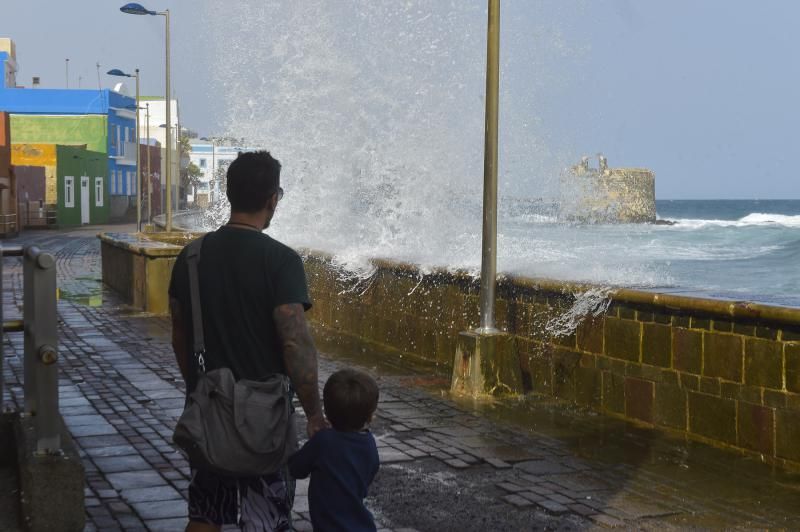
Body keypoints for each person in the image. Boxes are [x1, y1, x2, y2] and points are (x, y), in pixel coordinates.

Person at [169, 150, 327, 532]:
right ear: (272, 199)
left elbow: (179, 334)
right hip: (266, 419)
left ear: (229, 194)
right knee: (266, 520)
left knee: (205, 515)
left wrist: (198, 387)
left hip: (209, 411)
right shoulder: (281, 260)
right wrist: (314, 412)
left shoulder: (191, 257)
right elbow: (295, 342)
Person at [289, 368, 380, 532]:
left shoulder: (324, 441)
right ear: (370, 417)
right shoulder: (369, 443)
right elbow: (370, 472)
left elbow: (296, 469)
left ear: (327, 413)